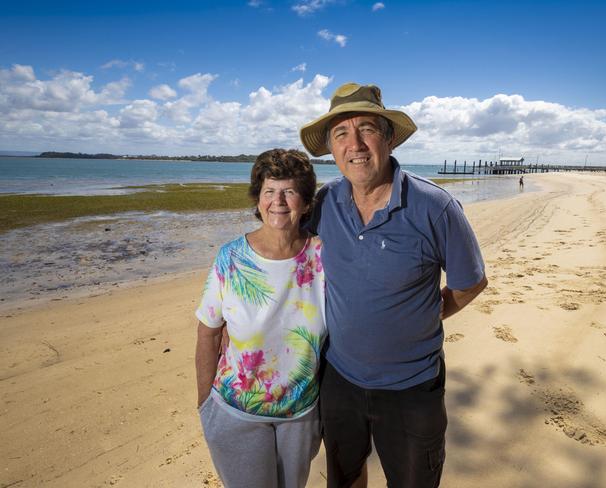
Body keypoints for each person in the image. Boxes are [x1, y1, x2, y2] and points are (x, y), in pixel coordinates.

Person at [300, 83, 488, 488]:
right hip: (340, 377)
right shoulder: (324, 203)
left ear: (387, 137)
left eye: (366, 129)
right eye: (341, 134)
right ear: (332, 150)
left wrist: (425, 313)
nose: (356, 144)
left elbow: (471, 283)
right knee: (344, 477)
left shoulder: (436, 206)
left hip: (413, 386)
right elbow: (281, 244)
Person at [194, 149, 326, 488]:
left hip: (301, 414)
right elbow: (208, 334)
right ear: (258, 199)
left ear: (306, 202)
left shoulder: (324, 256)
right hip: (236, 413)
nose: (278, 201)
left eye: (289, 191)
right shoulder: (231, 258)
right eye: (269, 191)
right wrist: (205, 405)